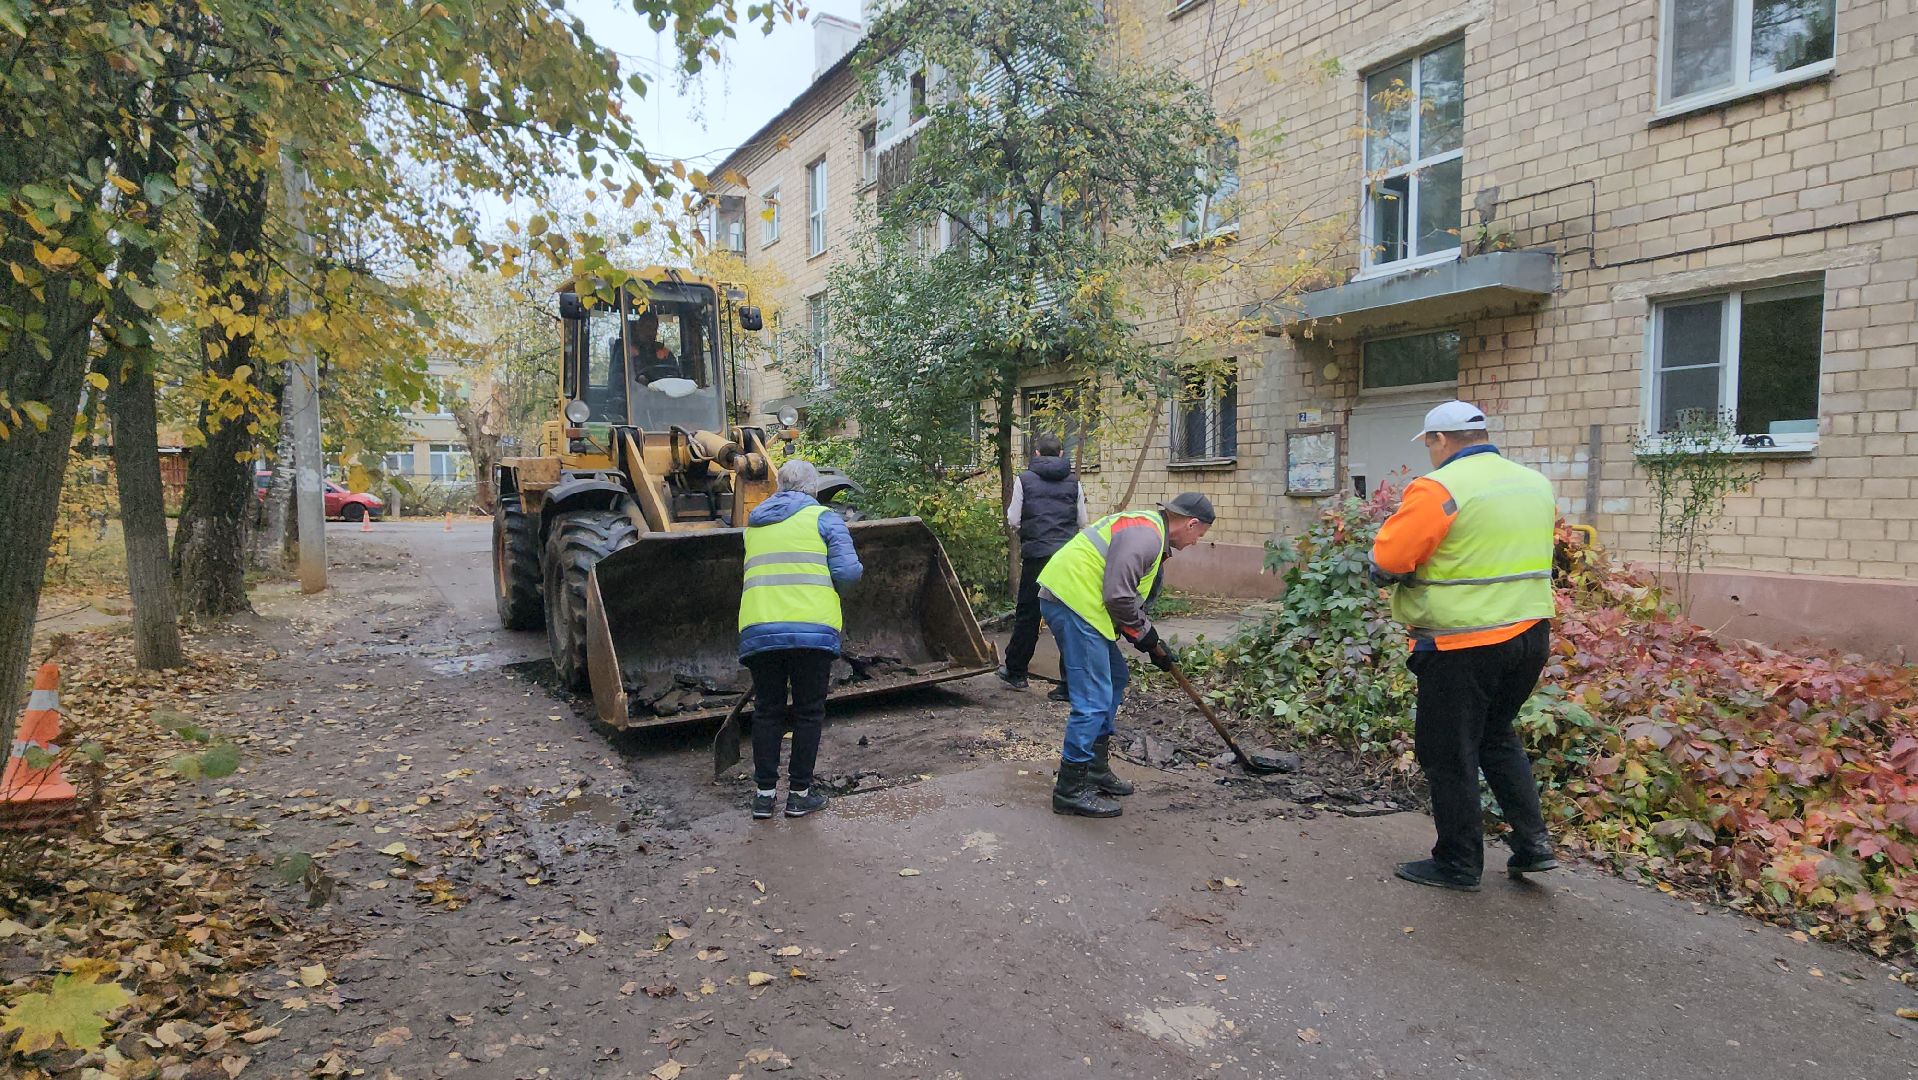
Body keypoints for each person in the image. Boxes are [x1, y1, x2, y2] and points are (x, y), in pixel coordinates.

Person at [1368, 400, 1558, 891]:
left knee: (1448, 751)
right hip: (1531, 634)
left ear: (1440, 440)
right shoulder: (1533, 483)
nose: (1430, 452)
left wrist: (1385, 569)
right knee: (1496, 736)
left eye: (1429, 443)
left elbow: (1392, 556)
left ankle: (1457, 862)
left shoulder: (1440, 487)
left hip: (1464, 642)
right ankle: (1533, 845)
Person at [1037, 492, 1215, 818]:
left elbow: (1127, 600)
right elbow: (1118, 596)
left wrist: (1150, 642)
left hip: (1086, 606)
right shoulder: (1146, 537)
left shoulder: (1152, 533)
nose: (1195, 542)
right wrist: (1146, 637)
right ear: (1190, 523)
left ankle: (1094, 767)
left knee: (1116, 677)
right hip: (1074, 602)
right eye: (1199, 535)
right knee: (1093, 697)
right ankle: (1070, 789)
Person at [737, 459, 864, 820]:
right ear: (812, 488)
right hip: (811, 629)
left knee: (767, 712)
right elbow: (848, 572)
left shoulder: (754, 523)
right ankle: (799, 795)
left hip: (760, 629)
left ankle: (763, 797)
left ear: (778, 485)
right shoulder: (824, 519)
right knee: (808, 713)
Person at [999, 434, 1088, 701]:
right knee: (1068, 616)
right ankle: (1070, 684)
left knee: (1028, 613)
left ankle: (1016, 672)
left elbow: (1013, 518)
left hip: (1036, 556)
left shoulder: (1024, 479)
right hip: (1067, 558)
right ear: (1061, 454)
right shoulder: (1075, 483)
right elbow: (1082, 521)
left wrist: (1030, 532)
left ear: (1036, 454)